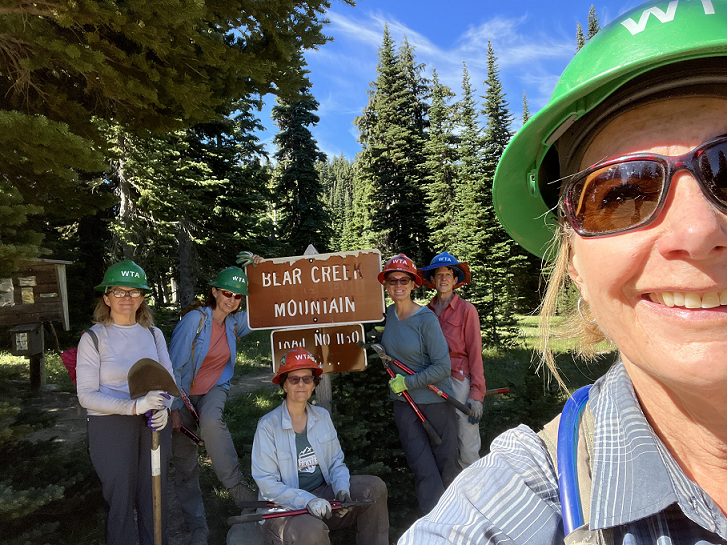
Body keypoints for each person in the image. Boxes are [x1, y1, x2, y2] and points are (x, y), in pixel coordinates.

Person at [400, 2, 727, 543]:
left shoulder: (464, 313)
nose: (696, 233)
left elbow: (468, 355)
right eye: (620, 195)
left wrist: (473, 392)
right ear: (571, 260)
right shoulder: (500, 514)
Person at [76, 260, 175, 545]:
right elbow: (86, 395)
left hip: (152, 423)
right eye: (119, 291)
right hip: (109, 425)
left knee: (153, 494)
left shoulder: (153, 334)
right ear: (106, 297)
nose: (126, 298)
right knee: (119, 498)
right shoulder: (94, 338)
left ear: (143, 298)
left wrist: (165, 408)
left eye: (134, 292)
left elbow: (168, 382)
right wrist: (133, 406)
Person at [251, 346, 389, 545]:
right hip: (283, 507)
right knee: (312, 532)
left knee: (374, 488)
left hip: (323, 495)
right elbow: (268, 485)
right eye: (294, 379)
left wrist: (342, 491)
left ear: (314, 384)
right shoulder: (268, 426)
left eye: (307, 379)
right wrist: (307, 501)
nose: (301, 384)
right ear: (284, 385)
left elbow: (336, 463)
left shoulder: (322, 417)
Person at [169, 264, 259, 545]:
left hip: (213, 391)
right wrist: (172, 407)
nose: (231, 299)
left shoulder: (234, 323)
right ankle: (198, 526)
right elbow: (172, 366)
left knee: (211, 424)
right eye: (226, 293)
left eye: (237, 296)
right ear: (214, 292)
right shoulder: (194, 321)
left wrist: (255, 268)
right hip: (181, 394)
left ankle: (241, 493)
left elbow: (267, 308)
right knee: (185, 462)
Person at [378, 253, 457, 514]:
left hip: (436, 403)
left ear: (414, 284)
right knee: (423, 470)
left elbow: (443, 368)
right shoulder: (388, 314)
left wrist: (408, 383)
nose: (398, 285)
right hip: (404, 407)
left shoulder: (427, 320)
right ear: (386, 285)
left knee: (446, 468)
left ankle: (457, 525)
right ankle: (432, 529)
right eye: (392, 280)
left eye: (404, 280)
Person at [419, 251, 485, 469]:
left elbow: (475, 353)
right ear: (433, 280)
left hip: (458, 380)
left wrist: (476, 395)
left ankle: (476, 496)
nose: (444, 279)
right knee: (443, 444)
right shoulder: (424, 313)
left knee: (467, 445)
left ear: (456, 280)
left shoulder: (467, 311)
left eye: (448, 274)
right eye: (439, 275)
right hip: (432, 383)